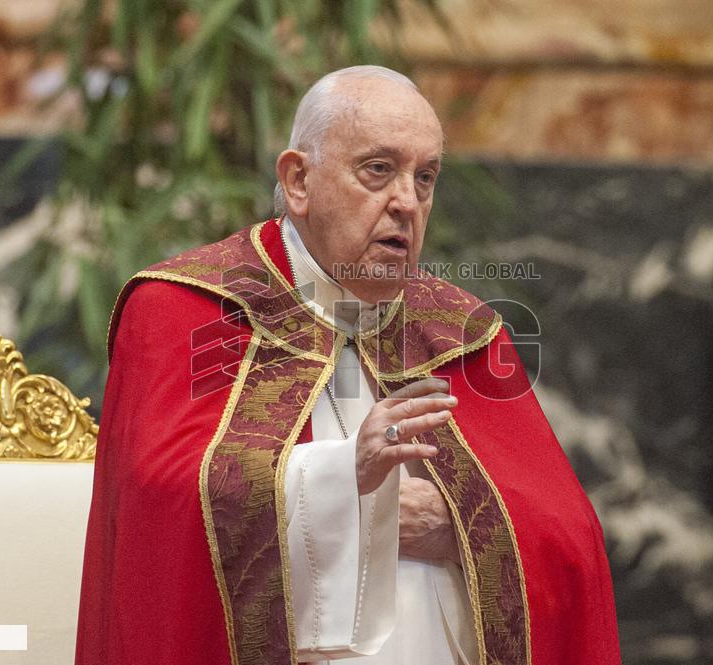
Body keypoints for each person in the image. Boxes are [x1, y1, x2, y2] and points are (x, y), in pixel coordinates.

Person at [75, 66, 620, 665]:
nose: (407, 203)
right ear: (299, 180)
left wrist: (466, 525)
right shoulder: (188, 307)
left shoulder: (463, 331)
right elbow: (156, 508)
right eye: (378, 170)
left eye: (426, 177)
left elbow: (572, 534)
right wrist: (347, 482)